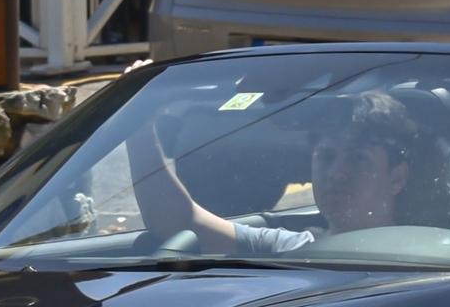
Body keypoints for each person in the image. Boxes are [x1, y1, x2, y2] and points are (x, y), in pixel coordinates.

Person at [125, 89, 418, 256]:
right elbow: (178, 222)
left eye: (358, 159)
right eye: (325, 156)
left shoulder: (431, 259)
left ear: (397, 177)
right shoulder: (288, 247)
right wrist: (138, 128)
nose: (337, 173)